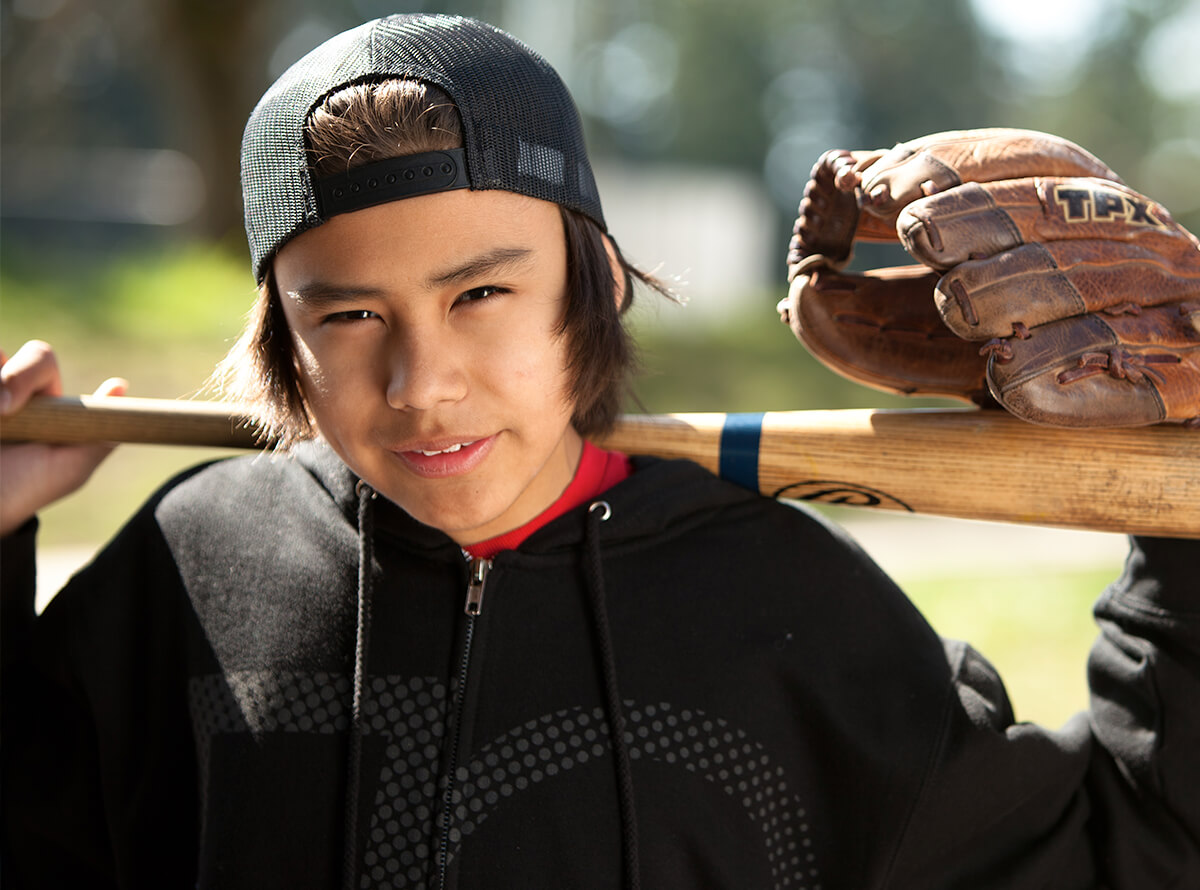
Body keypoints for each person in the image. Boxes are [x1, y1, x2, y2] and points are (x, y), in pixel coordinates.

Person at [1, 13, 1196, 890]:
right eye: (349, 315)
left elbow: (1127, 850)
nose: (423, 386)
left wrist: (1187, 542)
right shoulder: (191, 573)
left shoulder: (784, 606)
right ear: (280, 334)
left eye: (480, 293)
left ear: (600, 282)